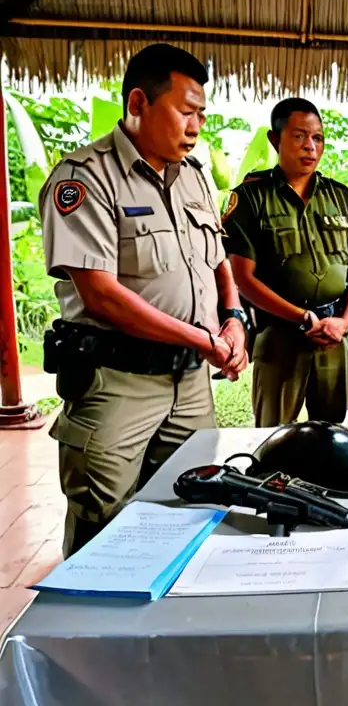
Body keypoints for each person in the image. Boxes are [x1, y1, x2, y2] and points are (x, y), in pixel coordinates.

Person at [39, 43, 248, 557]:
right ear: (138, 103)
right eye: (186, 111)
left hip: (191, 385)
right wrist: (203, 339)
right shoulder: (85, 178)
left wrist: (234, 317)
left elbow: (218, 259)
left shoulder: (194, 177)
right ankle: (90, 640)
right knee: (104, 533)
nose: (197, 125)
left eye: (202, 112)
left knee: (189, 514)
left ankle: (170, 638)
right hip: (118, 386)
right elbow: (102, 295)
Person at [221, 98, 348, 427]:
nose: (310, 147)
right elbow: (243, 278)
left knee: (334, 438)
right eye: (299, 136)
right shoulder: (250, 197)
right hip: (280, 336)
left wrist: (343, 323)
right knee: (272, 437)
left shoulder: (340, 196)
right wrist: (302, 318)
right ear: (276, 140)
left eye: (317, 138)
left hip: (334, 336)